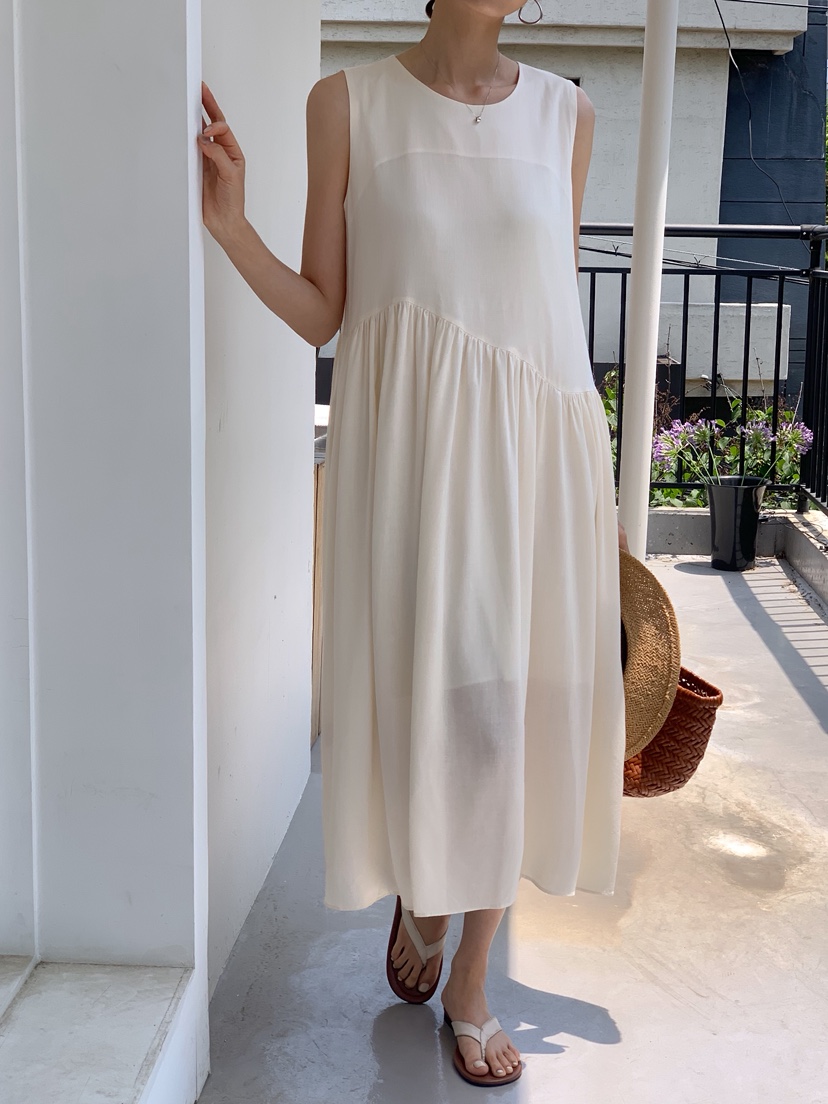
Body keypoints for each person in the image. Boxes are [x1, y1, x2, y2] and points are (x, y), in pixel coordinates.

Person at [200, 0, 630, 1086]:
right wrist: (232, 226)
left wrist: (587, 490)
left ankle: (471, 982)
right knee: (431, 697)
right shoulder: (347, 103)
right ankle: (426, 889)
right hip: (413, 452)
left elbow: (548, 308)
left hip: (534, 450)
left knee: (511, 707)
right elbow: (325, 312)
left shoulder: (568, 115)